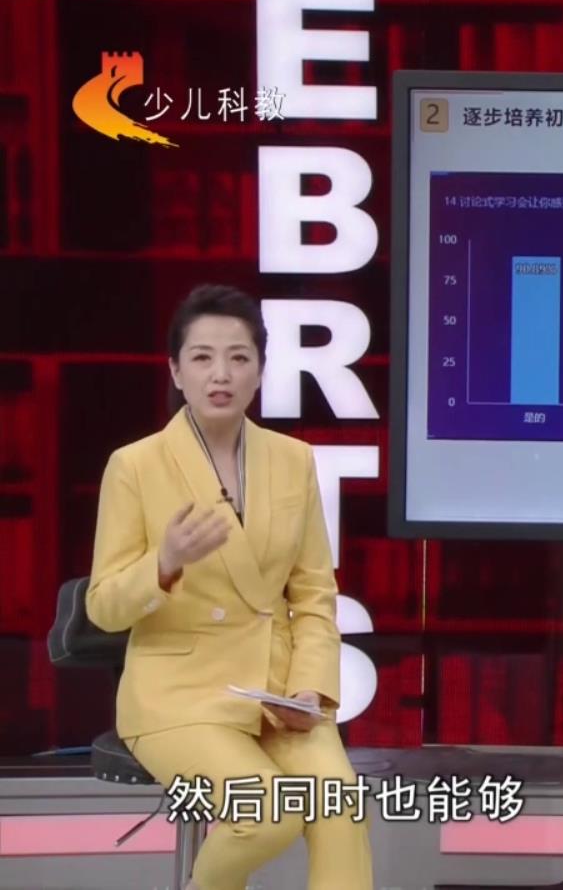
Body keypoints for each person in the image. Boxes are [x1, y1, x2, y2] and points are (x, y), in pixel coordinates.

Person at [85, 284, 373, 890]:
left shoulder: (293, 460)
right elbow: (104, 607)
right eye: (203, 357)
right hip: (179, 694)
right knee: (266, 814)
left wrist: (309, 690)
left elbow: (313, 595)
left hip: (276, 693)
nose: (221, 374)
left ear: (261, 371)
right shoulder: (134, 466)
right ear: (176, 371)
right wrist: (163, 563)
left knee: (338, 807)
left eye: (239, 357)